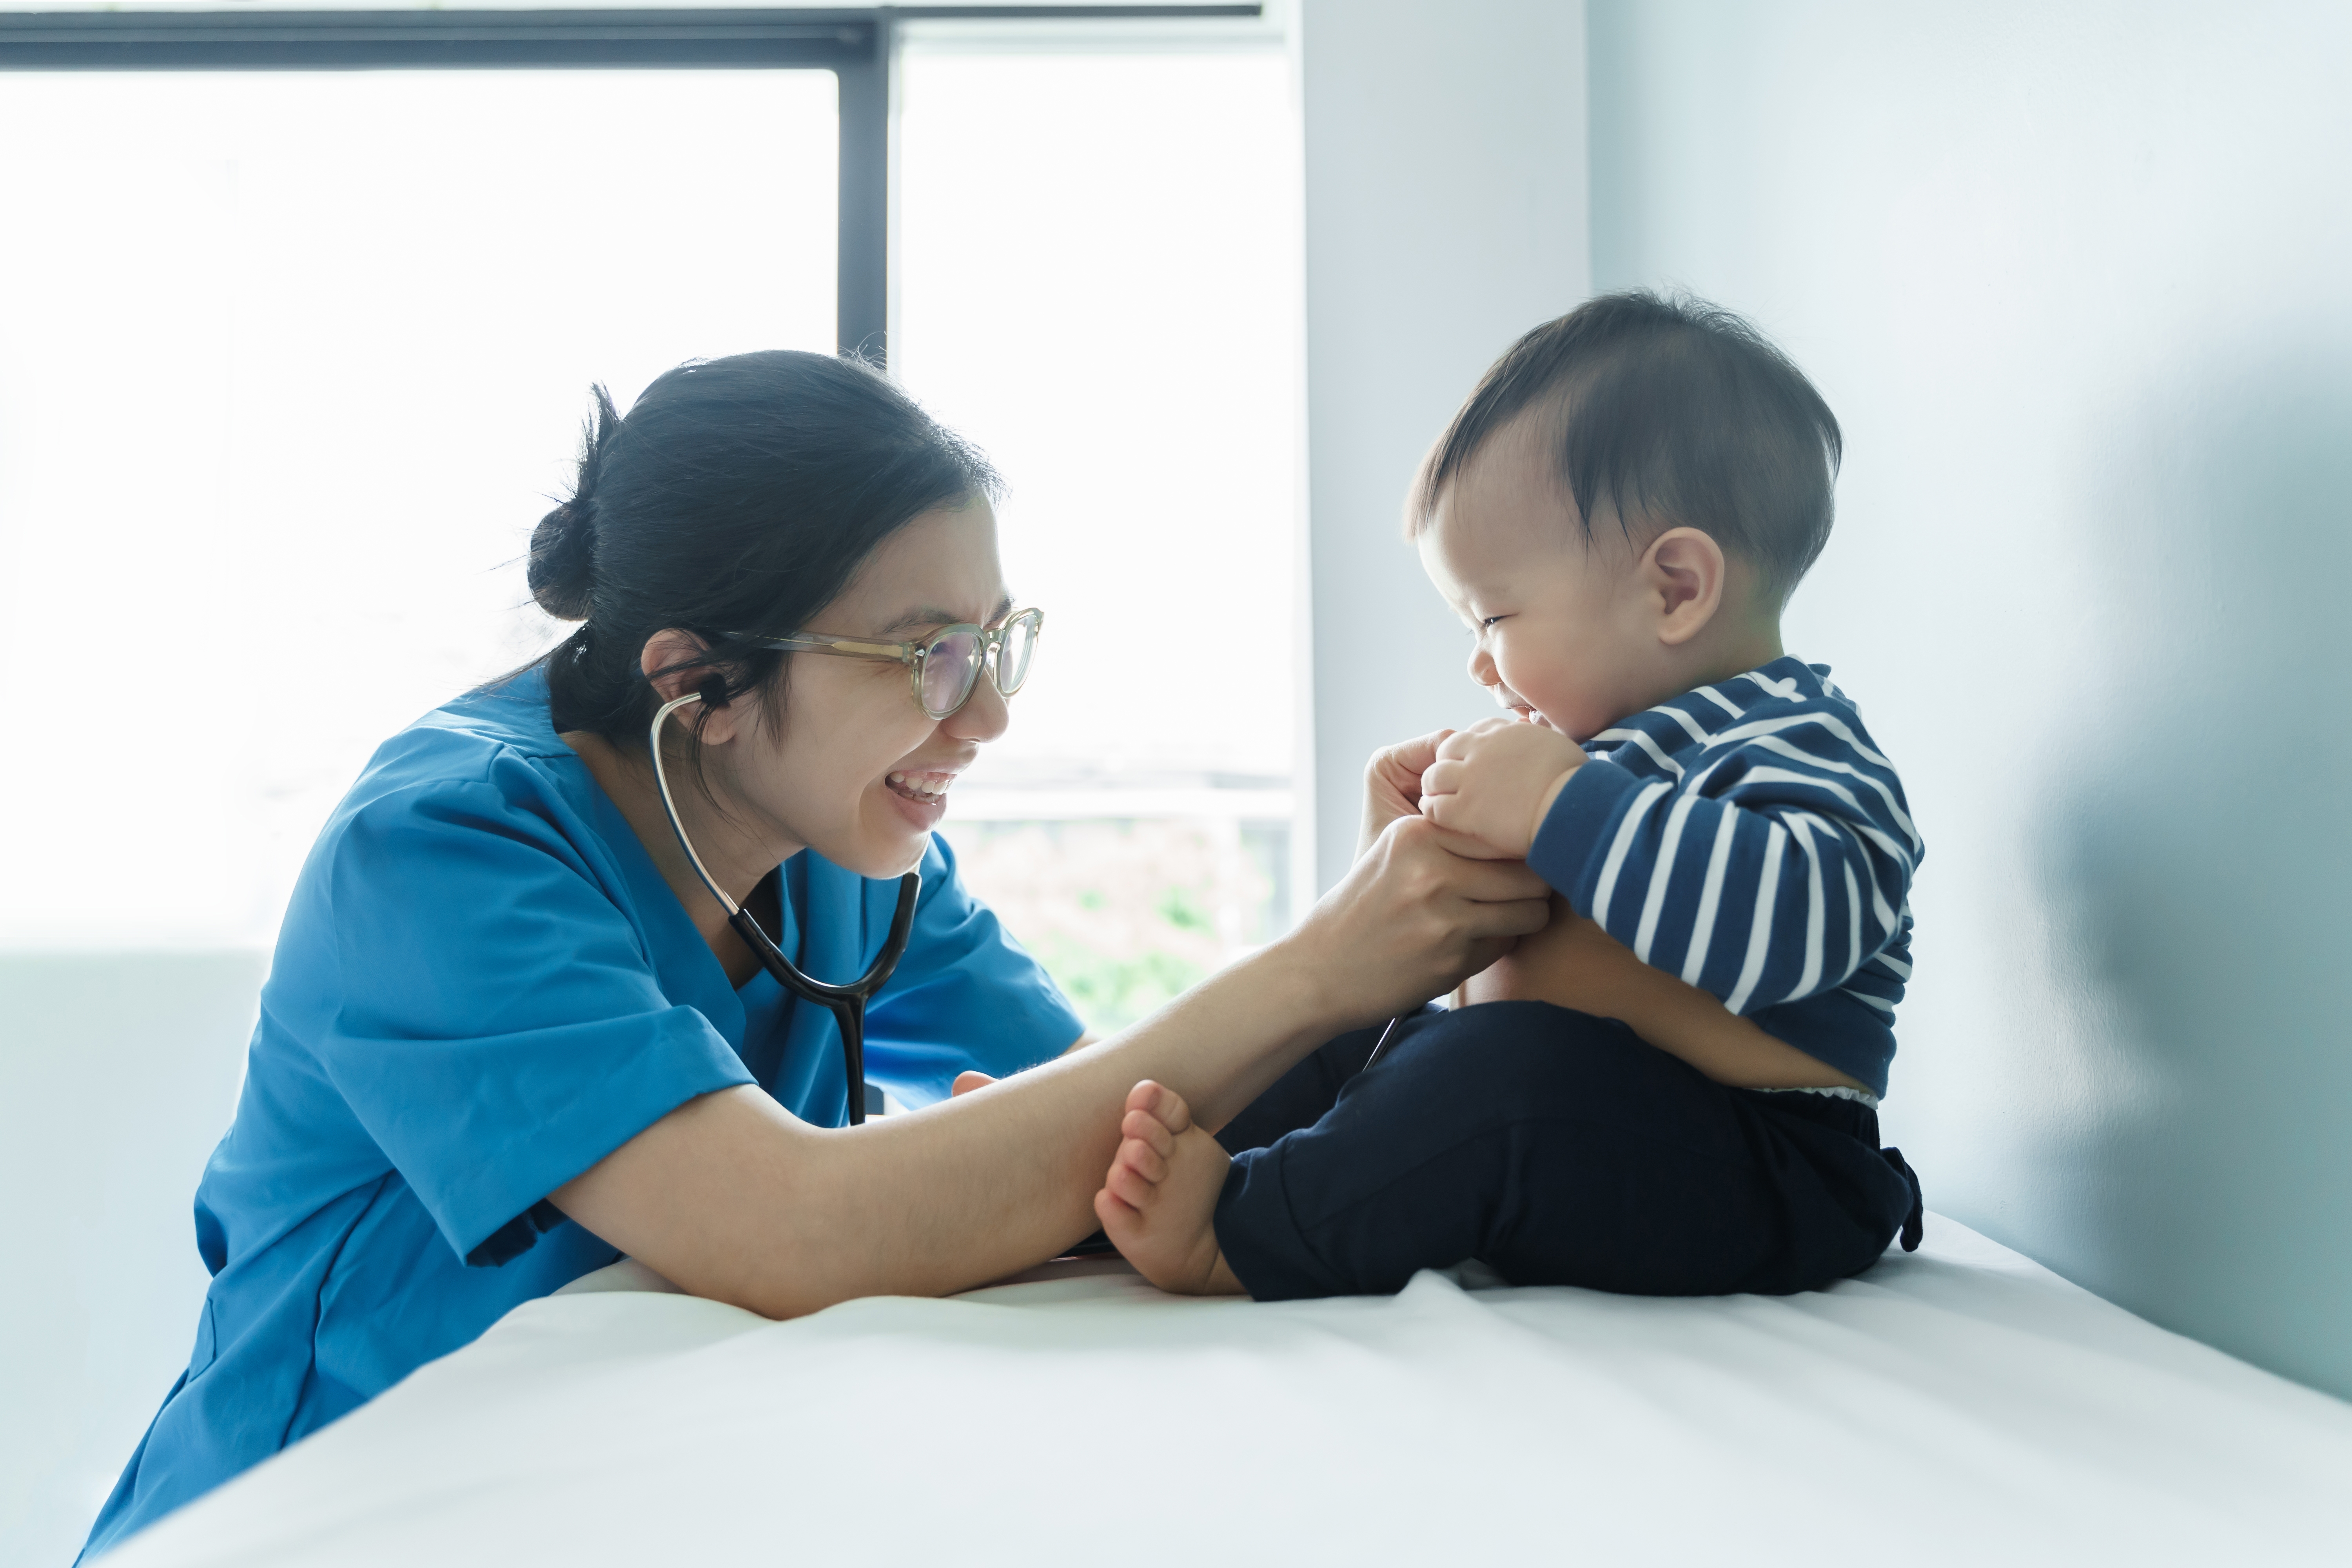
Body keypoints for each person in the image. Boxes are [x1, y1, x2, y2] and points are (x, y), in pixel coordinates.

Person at [81, 351, 1553, 1559]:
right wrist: (1319, 968)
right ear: (700, 683)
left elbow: (1112, 1112)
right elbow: (792, 1227)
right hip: (318, 1511)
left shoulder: (835, 844)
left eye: (995, 645)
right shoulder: (439, 856)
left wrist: (1386, 947)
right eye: (927, 660)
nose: (983, 722)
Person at [1092, 292, 1927, 1301]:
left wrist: (1558, 808)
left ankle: (1244, 1232)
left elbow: (1791, 929)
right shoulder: (1605, 750)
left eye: (1492, 616)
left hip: (1764, 1162)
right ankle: (1097, 1143)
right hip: (1602, 1127)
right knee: (1349, 1031)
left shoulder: (1795, 741)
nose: (1483, 664)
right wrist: (1398, 866)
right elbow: (1469, 972)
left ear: (1674, 589)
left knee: (1497, 1077)